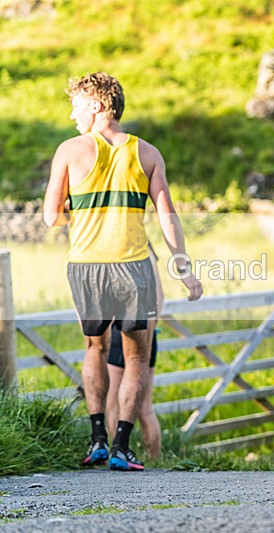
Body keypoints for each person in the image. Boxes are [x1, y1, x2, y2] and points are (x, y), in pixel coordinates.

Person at [43, 72, 203, 471]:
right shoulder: (148, 153)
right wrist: (184, 270)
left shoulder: (69, 150)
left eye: (77, 105)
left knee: (94, 348)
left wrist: (86, 212)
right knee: (137, 358)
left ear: (97, 105)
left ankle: (96, 438)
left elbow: (50, 217)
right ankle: (121, 447)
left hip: (86, 266)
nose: (72, 114)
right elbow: (168, 219)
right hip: (135, 268)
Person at [106, 242, 162, 460]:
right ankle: (156, 460)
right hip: (150, 332)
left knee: (113, 403)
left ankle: (115, 452)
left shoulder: (125, 248)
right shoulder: (149, 252)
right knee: (146, 408)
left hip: (125, 331)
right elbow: (159, 298)